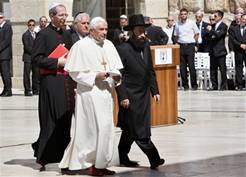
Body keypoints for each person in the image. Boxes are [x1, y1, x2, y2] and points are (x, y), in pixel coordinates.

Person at [59, 17, 123, 176]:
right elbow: (74, 72)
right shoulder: (81, 46)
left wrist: (116, 77)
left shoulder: (109, 45)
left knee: (107, 128)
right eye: (101, 30)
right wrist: (95, 76)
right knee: (92, 130)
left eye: (106, 29)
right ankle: (91, 163)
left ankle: (101, 163)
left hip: (106, 93)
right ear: (92, 30)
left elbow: (116, 68)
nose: (105, 33)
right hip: (89, 93)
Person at [116, 14, 164, 169]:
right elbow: (118, 76)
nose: (143, 34)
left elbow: (150, 71)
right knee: (140, 131)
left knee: (131, 129)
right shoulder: (123, 49)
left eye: (144, 31)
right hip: (130, 96)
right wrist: (122, 96)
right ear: (132, 32)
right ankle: (154, 158)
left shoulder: (146, 46)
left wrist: (154, 90)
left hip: (143, 96)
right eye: (140, 31)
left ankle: (122, 156)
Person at [31, 2, 74, 171]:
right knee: (51, 121)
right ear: (52, 16)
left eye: (65, 15)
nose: (64, 18)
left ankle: (64, 157)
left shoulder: (67, 34)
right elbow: (36, 59)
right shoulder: (43, 34)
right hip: (51, 82)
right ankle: (44, 156)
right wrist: (57, 62)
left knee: (65, 120)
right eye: (61, 15)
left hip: (66, 83)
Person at [173, 8, 199, 90]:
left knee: (191, 66)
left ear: (187, 14)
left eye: (185, 14)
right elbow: (176, 35)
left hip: (190, 45)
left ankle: (194, 85)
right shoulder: (177, 24)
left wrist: (195, 43)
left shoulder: (191, 23)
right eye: (182, 14)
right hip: (181, 46)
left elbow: (197, 33)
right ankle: (185, 85)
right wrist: (177, 43)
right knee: (182, 67)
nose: (183, 15)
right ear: (180, 15)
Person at [206, 10, 228, 90]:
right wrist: (212, 32)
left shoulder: (224, 26)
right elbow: (207, 36)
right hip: (212, 51)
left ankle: (223, 86)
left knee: (222, 69)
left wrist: (212, 31)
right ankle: (214, 85)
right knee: (212, 69)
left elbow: (219, 35)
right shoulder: (213, 25)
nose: (214, 18)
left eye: (215, 16)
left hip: (220, 51)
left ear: (220, 17)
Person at [22, 19, 39, 96]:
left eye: (33, 25)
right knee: (27, 75)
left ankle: (35, 90)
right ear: (28, 26)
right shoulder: (25, 35)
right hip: (28, 58)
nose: (31, 26)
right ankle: (27, 90)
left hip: (35, 58)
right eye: (30, 25)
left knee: (35, 74)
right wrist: (35, 53)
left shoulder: (36, 34)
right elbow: (27, 47)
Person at [230, 13, 246, 90]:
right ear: (240, 19)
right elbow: (233, 39)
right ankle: (239, 85)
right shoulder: (234, 28)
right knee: (239, 68)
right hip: (238, 50)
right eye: (243, 19)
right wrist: (240, 45)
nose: (244, 21)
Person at [0, 12, 13, 97]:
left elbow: (6, 41)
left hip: (4, 55)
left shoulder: (7, 27)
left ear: (3, 18)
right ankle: (5, 89)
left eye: (0, 17)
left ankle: (8, 90)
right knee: (2, 73)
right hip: (1, 55)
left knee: (6, 73)